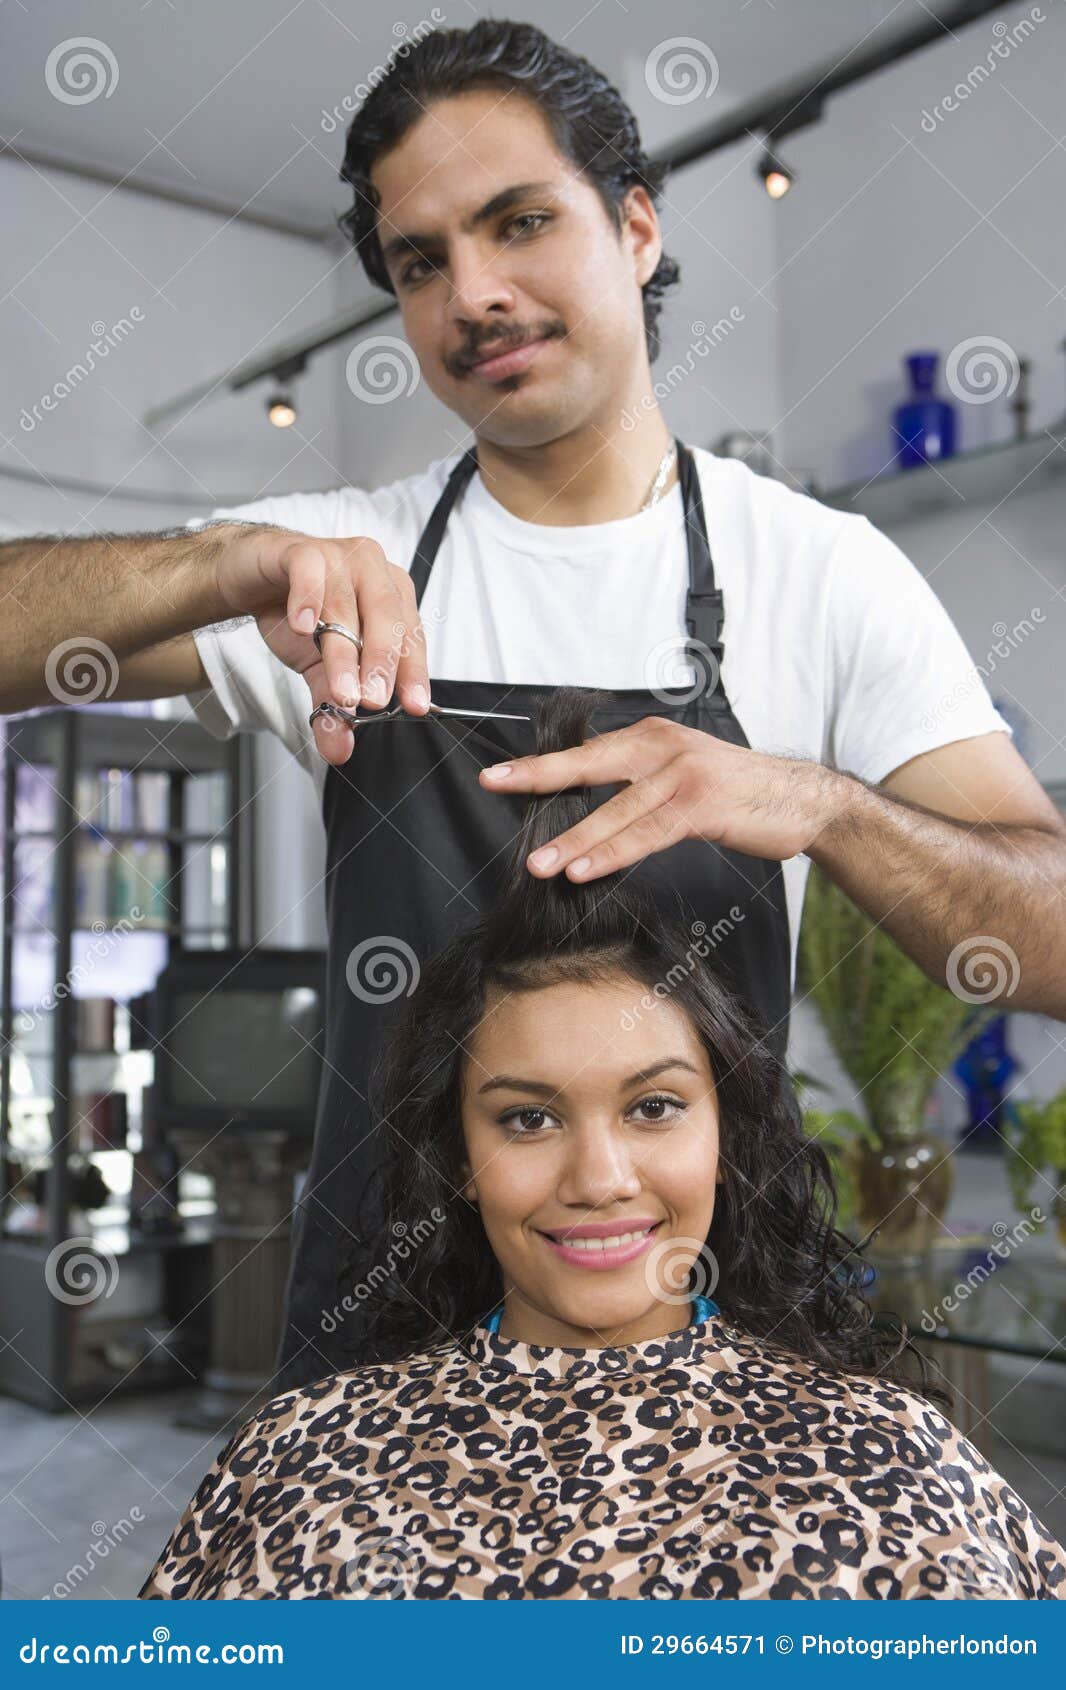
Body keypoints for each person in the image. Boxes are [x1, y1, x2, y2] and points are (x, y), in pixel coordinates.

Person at [3, 20, 1065, 1401]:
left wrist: (816, 804)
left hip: (705, 1351)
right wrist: (217, 561)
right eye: (420, 261)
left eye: (518, 223)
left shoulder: (817, 569)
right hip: (380, 1358)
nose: (474, 294)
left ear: (633, 226)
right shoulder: (334, 567)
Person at [138, 690, 1066, 1602]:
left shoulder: (891, 1458)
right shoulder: (303, 1460)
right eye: (527, 1118)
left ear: (724, 1133)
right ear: (457, 1157)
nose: (599, 1179)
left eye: (654, 1108)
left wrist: (823, 802)